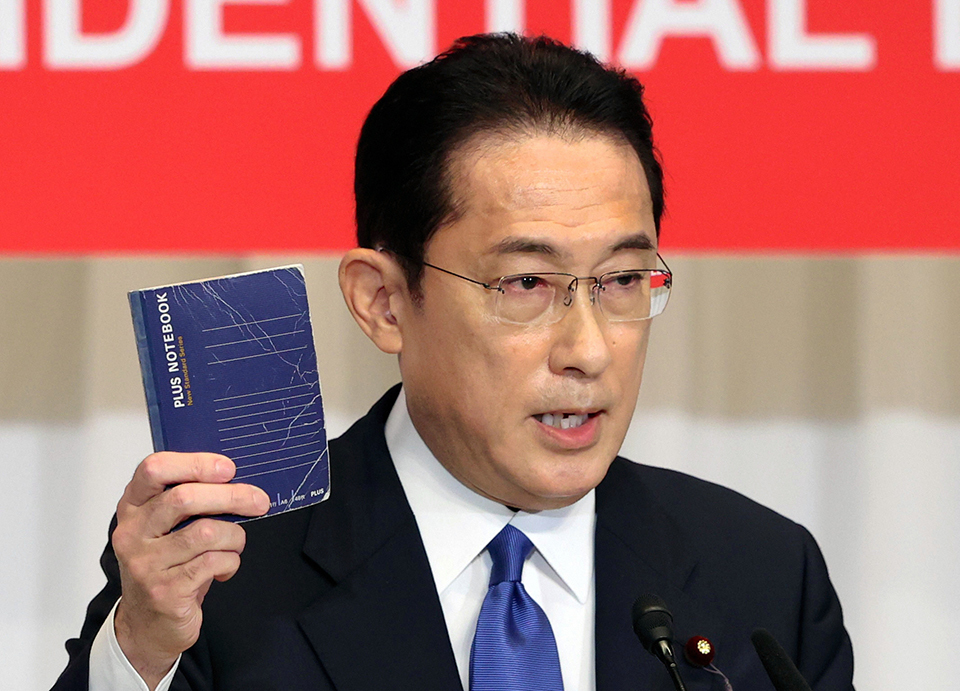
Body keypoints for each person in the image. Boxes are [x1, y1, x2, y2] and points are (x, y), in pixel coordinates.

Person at [54, 33, 854, 691]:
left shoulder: (763, 575)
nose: (588, 349)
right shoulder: (222, 573)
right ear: (383, 301)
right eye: (526, 283)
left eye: (619, 280)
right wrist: (144, 646)